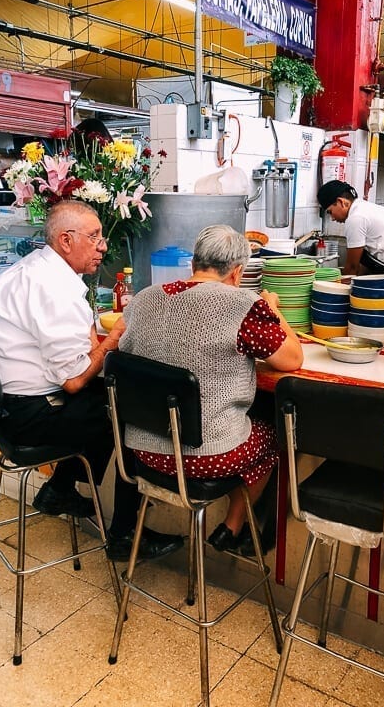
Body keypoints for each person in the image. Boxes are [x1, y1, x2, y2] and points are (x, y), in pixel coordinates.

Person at [0, 200, 183, 562]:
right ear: (65, 240)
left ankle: (58, 489)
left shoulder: (34, 268)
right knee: (129, 416)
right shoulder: (54, 289)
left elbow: (72, 350)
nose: (103, 246)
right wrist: (114, 337)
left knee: (104, 401)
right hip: (28, 418)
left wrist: (97, 344)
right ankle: (124, 535)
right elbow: (73, 380)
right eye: (94, 237)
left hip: (5, 410)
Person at [118, 224, 303, 555]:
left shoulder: (144, 299)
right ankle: (232, 526)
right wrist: (272, 307)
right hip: (207, 459)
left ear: (193, 264)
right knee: (276, 436)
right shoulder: (243, 305)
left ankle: (231, 527)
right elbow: (291, 360)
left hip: (143, 453)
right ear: (237, 273)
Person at [317, 180, 384, 276]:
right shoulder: (368, 208)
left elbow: (352, 267)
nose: (332, 218)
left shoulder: (355, 218)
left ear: (341, 202)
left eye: (330, 212)